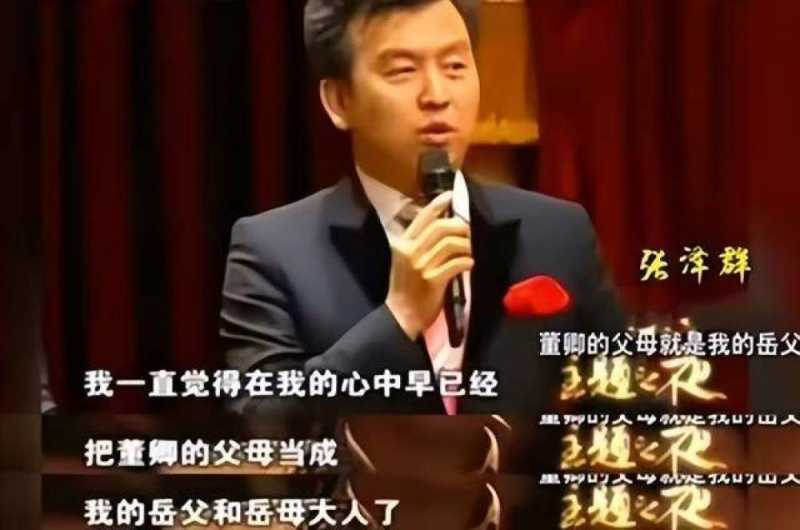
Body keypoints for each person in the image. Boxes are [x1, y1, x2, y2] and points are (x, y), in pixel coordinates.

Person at [220, 0, 626, 421]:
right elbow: (265, 426)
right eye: (403, 71)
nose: (437, 95)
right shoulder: (272, 250)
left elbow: (629, 409)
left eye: (454, 67)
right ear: (339, 100)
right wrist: (400, 315)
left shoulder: (559, 233)